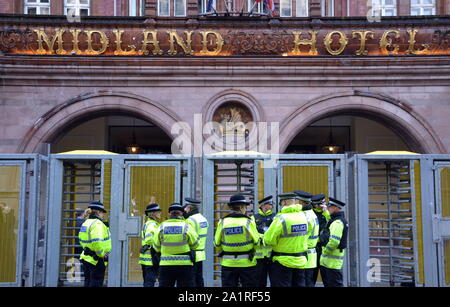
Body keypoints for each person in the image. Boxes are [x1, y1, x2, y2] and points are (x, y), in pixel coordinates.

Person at [263, 193, 309, 287]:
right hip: (300, 261)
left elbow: (268, 240)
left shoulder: (281, 218)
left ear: (284, 202)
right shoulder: (304, 216)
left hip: (282, 262)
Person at [214, 194, 260, 287]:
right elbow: (257, 242)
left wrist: (225, 249)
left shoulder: (222, 222)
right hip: (247, 263)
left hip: (228, 263)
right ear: (242, 207)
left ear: (231, 207)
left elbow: (216, 243)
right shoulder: (248, 222)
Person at [153, 203, 199, 287]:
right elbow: (195, 245)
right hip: (184, 265)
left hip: (166, 265)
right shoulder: (187, 226)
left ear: (169, 214)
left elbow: (156, 247)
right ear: (181, 213)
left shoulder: (161, 227)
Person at [78, 201, 111, 287]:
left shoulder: (86, 222)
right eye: (102, 213)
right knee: (96, 283)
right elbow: (97, 241)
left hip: (87, 258)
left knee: (88, 282)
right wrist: (101, 254)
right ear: (98, 212)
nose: (103, 215)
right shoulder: (97, 224)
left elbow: (81, 240)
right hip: (96, 259)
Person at [319, 197, 348, 287]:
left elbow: (334, 242)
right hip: (331, 263)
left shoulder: (337, 223)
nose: (328, 208)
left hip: (331, 263)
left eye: (330, 207)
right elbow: (329, 218)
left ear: (336, 208)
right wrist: (324, 210)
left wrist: (325, 252)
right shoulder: (337, 219)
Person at [294, 190, 320, 287]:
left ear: (301, 202)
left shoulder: (304, 217)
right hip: (311, 257)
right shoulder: (312, 214)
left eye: (296, 200)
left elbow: (299, 237)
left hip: (304, 256)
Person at [183, 197, 209, 287]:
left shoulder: (190, 220)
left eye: (185, 207)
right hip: (200, 254)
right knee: (199, 278)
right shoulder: (203, 219)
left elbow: (188, 237)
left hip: (191, 254)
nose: (184, 209)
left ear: (190, 208)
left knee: (191, 279)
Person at [253, 195, 276, 287]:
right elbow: (252, 234)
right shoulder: (254, 218)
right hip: (259, 256)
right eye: (270, 204)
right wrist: (264, 238)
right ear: (264, 205)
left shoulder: (276, 217)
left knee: (275, 281)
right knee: (259, 282)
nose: (272, 206)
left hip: (273, 255)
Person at [139, 203, 162, 287]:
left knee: (148, 282)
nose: (160, 213)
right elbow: (149, 239)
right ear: (153, 213)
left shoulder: (150, 223)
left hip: (147, 259)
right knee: (149, 282)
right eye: (158, 211)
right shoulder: (152, 225)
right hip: (151, 259)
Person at [311, 194, 331, 286]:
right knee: (311, 277)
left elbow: (331, 225)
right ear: (315, 205)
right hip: (314, 249)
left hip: (324, 250)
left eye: (323, 203)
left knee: (327, 277)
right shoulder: (311, 214)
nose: (322, 206)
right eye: (320, 204)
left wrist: (326, 212)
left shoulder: (326, 213)